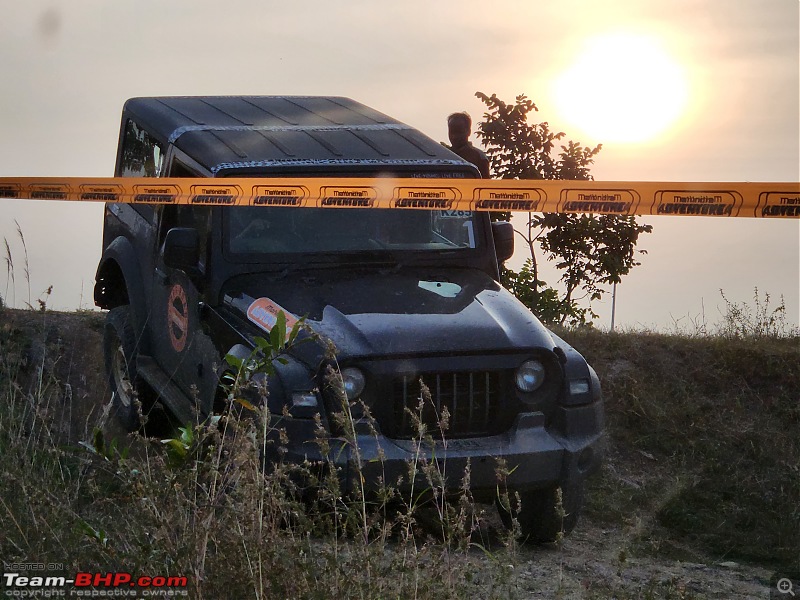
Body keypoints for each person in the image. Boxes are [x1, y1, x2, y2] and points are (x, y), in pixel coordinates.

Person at [447, 112, 490, 178]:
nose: (454, 136)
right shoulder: (444, 156)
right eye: (452, 132)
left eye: (458, 132)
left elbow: (486, 186)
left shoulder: (478, 157)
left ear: (468, 132)